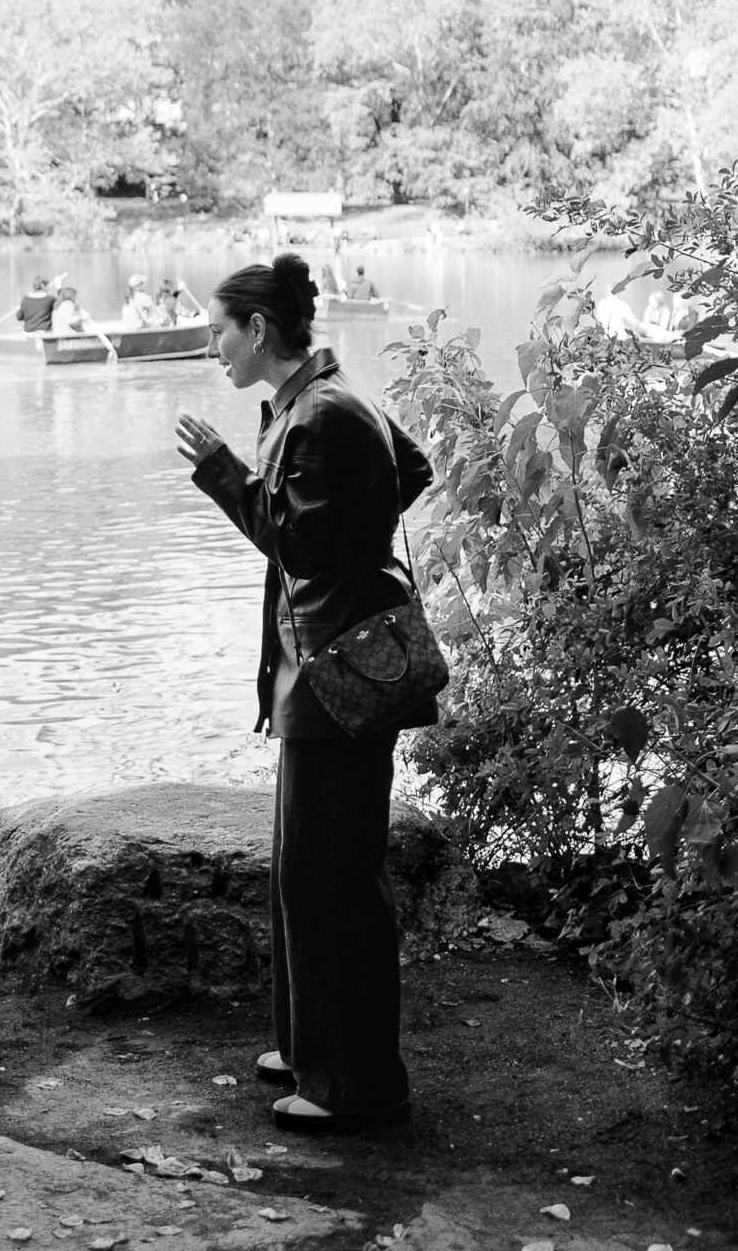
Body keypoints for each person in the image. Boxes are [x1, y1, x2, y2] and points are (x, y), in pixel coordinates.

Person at [175, 252, 435, 1133]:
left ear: (257, 330)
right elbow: (411, 469)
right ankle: (309, 1048)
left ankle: (356, 1088)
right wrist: (358, 541)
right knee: (306, 867)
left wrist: (222, 470)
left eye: (218, 331)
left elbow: (297, 545)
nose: (212, 347)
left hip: (338, 671)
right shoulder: (317, 397)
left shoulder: (319, 411)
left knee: (334, 879)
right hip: (328, 665)